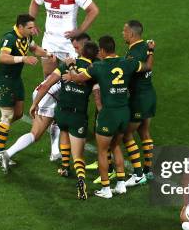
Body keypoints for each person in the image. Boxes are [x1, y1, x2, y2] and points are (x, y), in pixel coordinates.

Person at [63, 36, 155, 199]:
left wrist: (71, 66)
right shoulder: (128, 62)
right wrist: (150, 51)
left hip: (108, 114)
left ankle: (106, 188)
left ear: (103, 51)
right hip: (124, 112)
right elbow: (148, 66)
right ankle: (120, 184)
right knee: (116, 146)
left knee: (103, 150)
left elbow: (78, 78)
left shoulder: (98, 67)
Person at [27, 40, 100, 200]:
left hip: (61, 112)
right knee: (78, 155)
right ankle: (81, 180)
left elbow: (46, 86)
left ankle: (65, 167)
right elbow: (96, 93)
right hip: (78, 116)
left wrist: (34, 104)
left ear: (81, 52)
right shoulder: (94, 71)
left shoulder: (67, 64)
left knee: (64, 134)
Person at [0, 14, 50, 163]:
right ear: (20, 27)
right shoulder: (10, 38)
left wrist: (48, 54)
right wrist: (23, 58)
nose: (32, 30)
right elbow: (3, 57)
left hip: (16, 80)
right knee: (7, 116)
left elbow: (34, 48)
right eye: (29, 27)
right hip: (4, 81)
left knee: (19, 114)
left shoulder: (26, 37)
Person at [29, 0, 99, 76]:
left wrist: (80, 30)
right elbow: (35, 2)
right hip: (50, 40)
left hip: (69, 42)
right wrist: (31, 23)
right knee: (48, 75)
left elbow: (93, 10)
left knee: (73, 75)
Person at [120, 20, 157, 188]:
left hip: (139, 98)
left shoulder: (134, 53)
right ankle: (148, 169)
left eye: (124, 31)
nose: (122, 33)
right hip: (150, 95)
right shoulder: (145, 47)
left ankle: (138, 174)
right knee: (144, 131)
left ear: (132, 33)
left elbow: (144, 68)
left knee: (127, 135)